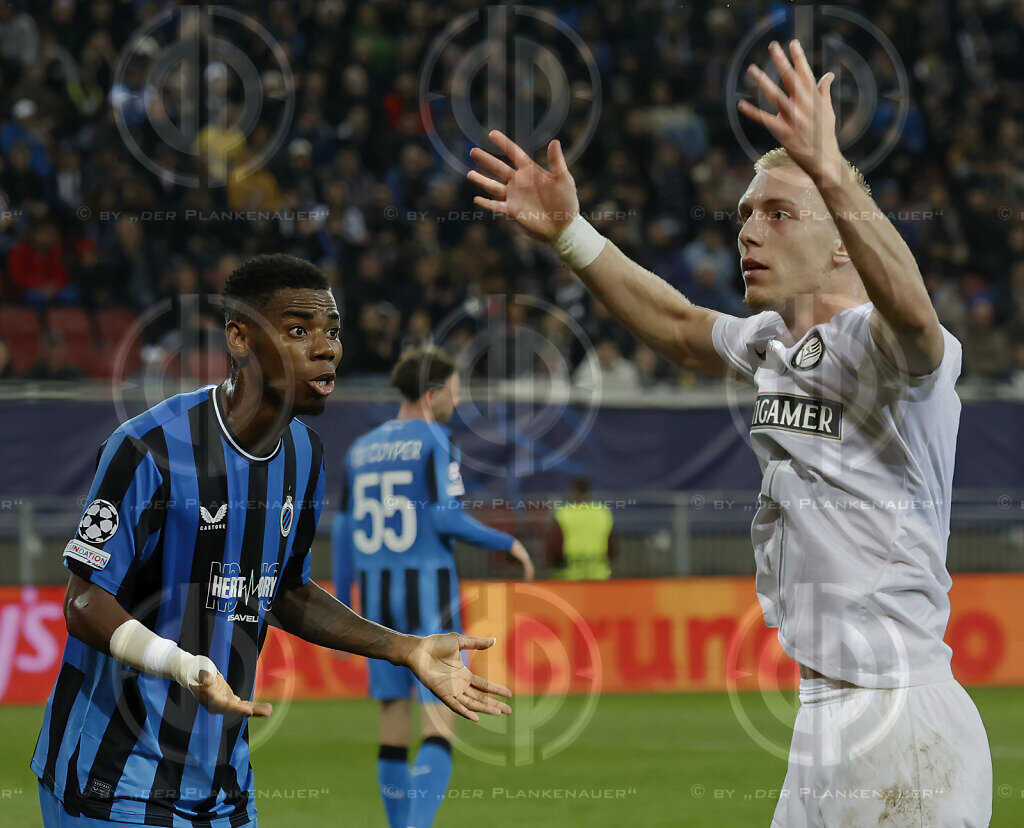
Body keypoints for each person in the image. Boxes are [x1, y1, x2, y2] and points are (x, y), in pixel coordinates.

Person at [468, 40, 991, 827]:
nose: (749, 231)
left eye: (780, 214)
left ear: (843, 238)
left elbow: (915, 314)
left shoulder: (890, 352)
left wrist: (831, 168)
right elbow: (678, 325)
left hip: (899, 715)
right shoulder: (771, 344)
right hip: (826, 713)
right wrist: (574, 236)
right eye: (745, 214)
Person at [31, 254, 511, 828]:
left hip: (225, 792)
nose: (325, 347)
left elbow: (287, 591)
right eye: (298, 329)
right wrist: (182, 664)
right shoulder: (149, 448)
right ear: (239, 338)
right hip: (112, 788)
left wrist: (403, 648)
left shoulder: (304, 457)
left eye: (332, 331)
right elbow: (83, 602)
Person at [332, 345, 534, 828]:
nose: (458, 401)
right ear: (431, 393)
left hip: (376, 604)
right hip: (429, 595)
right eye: (454, 391)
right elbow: (444, 516)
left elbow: (341, 532)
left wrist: (341, 609)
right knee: (441, 722)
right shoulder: (435, 440)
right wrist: (504, 540)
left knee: (392, 724)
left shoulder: (361, 449)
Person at [547, 476, 616, 580]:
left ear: (573, 491)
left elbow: (555, 544)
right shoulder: (603, 512)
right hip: (599, 571)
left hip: (570, 572)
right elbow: (611, 543)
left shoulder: (564, 513)